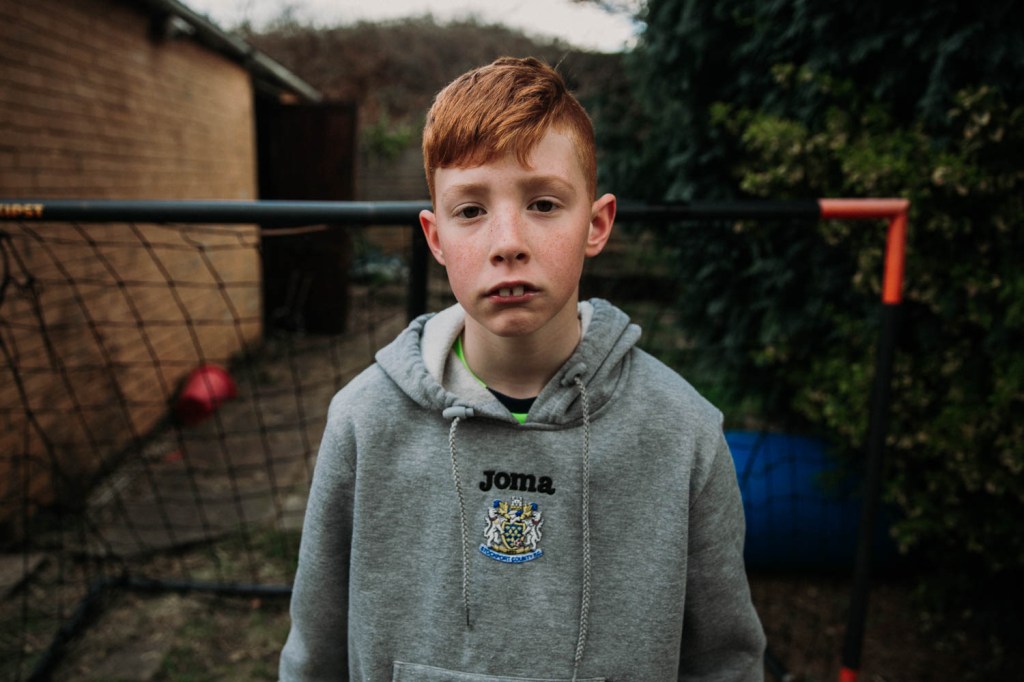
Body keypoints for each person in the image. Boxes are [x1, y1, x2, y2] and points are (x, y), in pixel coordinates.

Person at [279, 56, 766, 681]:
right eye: (470, 211)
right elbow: (314, 657)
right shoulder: (363, 420)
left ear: (596, 224)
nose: (507, 242)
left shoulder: (684, 432)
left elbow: (725, 663)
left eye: (542, 203)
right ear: (435, 237)